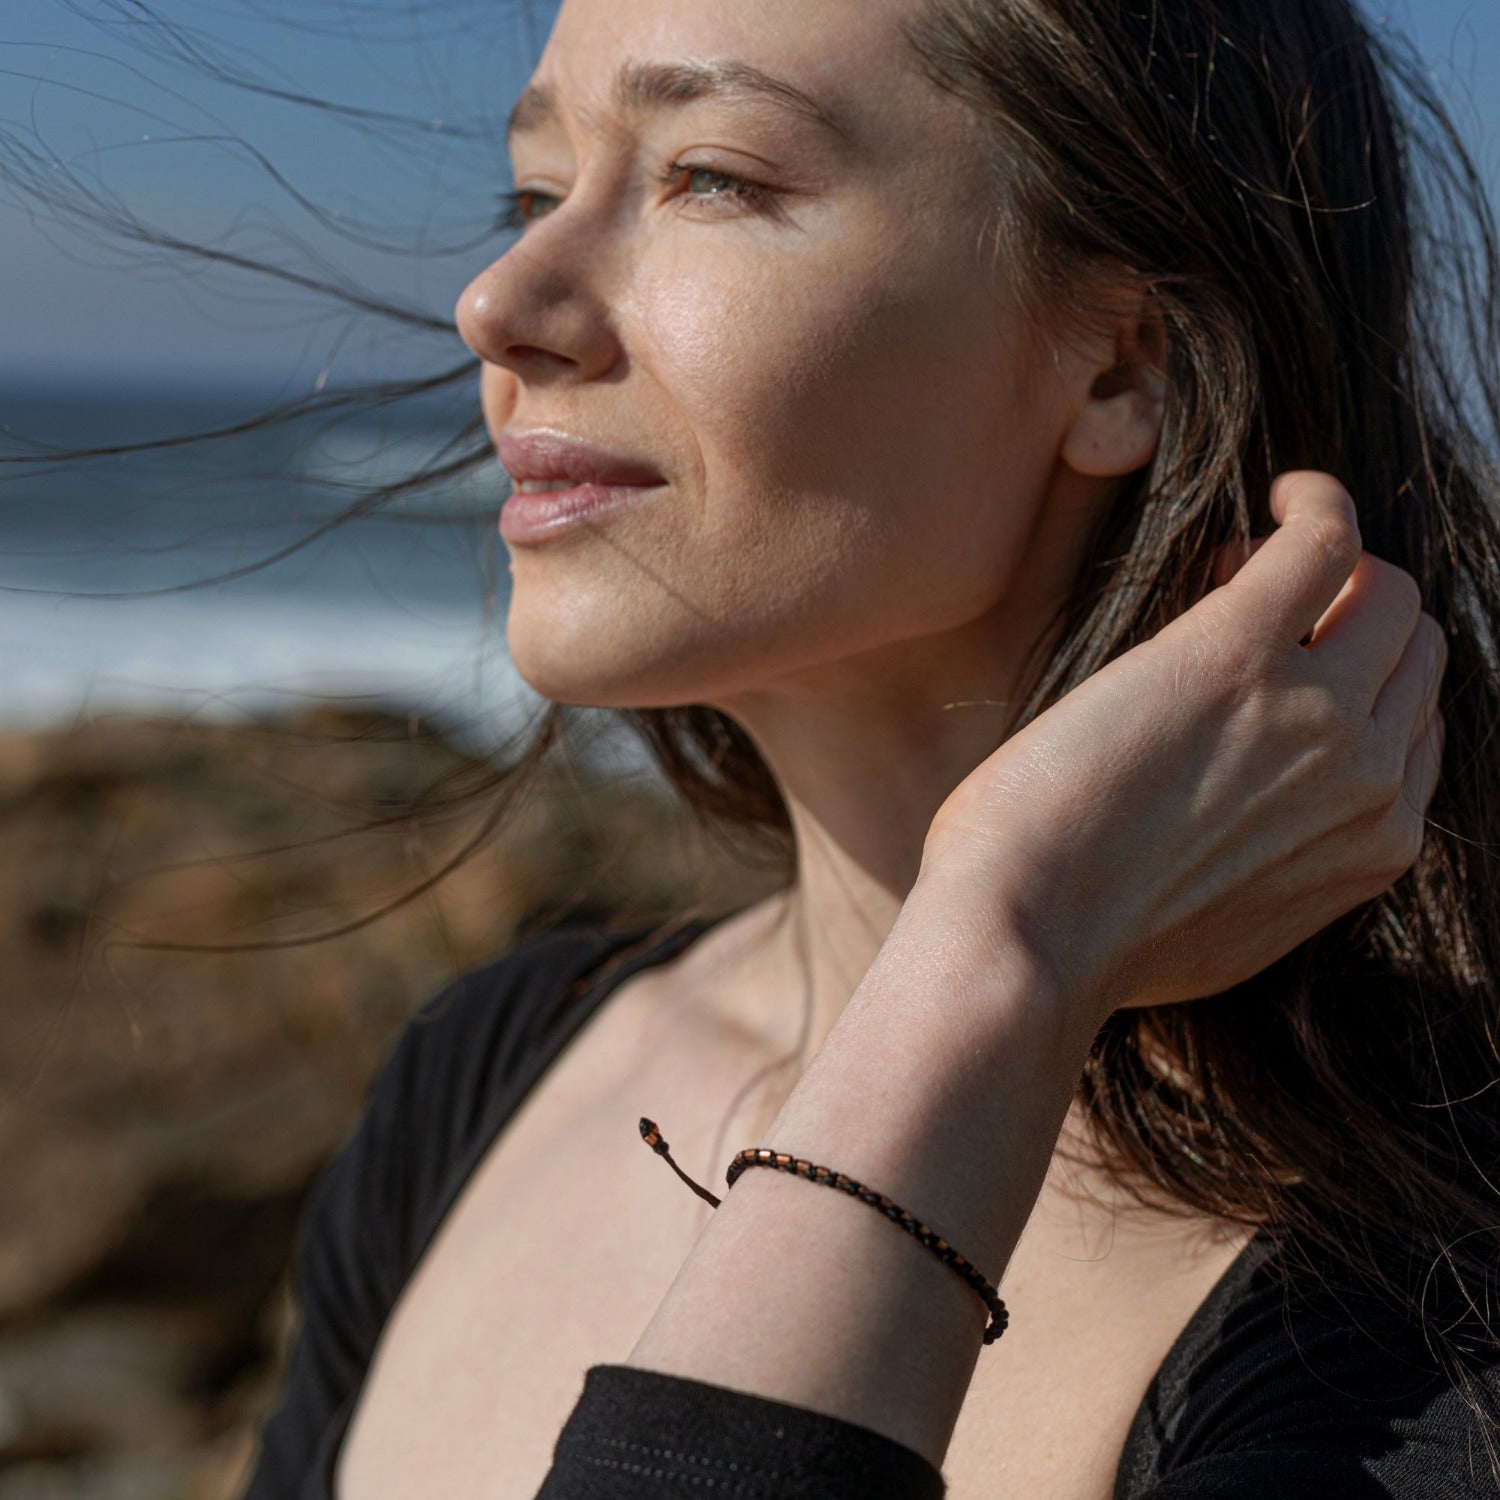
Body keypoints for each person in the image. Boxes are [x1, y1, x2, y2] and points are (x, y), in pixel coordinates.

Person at [242, 0, 1500, 1495]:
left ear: (1122, 364)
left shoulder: (1425, 1306)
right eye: (534, 190)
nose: (499, 303)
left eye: (710, 177)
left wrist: (999, 952)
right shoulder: (490, 1071)